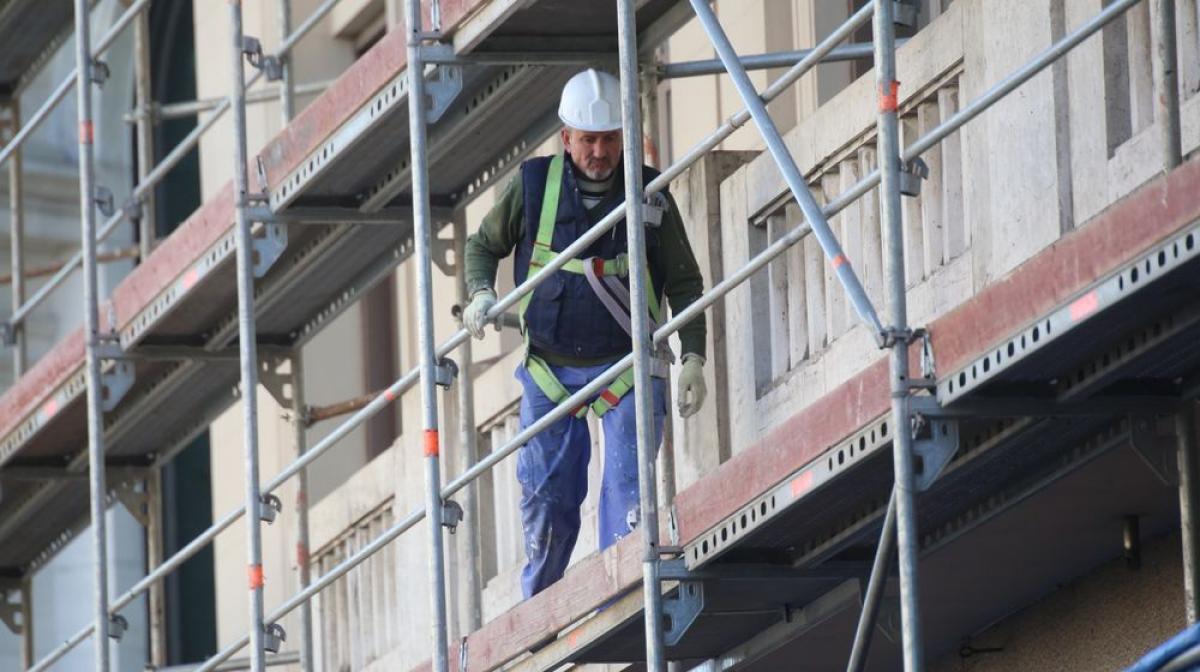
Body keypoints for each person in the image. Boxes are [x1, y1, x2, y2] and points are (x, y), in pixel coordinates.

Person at [462, 68, 707, 598]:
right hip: (550, 370)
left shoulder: (650, 197)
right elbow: (481, 246)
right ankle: (541, 606)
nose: (599, 151)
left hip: (626, 366)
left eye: (610, 139)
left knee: (626, 483)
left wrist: (693, 357)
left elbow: (686, 283)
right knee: (547, 496)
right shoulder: (532, 188)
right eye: (589, 139)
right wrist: (481, 291)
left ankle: (626, 593)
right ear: (566, 137)